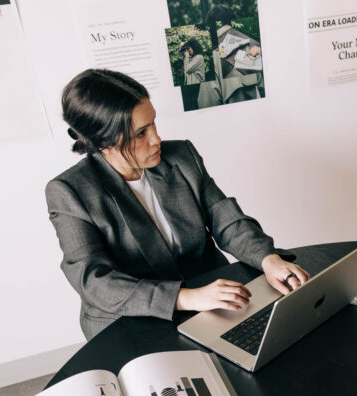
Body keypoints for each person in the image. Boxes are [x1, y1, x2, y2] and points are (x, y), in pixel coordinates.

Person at [46, 69, 307, 339]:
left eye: (153, 124)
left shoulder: (182, 156)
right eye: (140, 133)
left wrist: (269, 259)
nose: (156, 139)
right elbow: (93, 281)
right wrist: (185, 298)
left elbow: (226, 219)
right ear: (104, 142)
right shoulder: (69, 191)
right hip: (131, 318)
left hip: (208, 296)